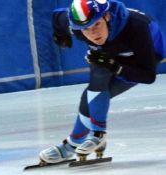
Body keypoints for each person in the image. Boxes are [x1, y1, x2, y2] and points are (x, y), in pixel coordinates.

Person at [40, 0, 165, 163]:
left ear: (106, 16)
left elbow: (148, 76)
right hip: (110, 51)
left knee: (94, 91)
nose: (93, 34)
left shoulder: (137, 27)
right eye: (86, 29)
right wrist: (60, 35)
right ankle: (78, 142)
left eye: (96, 25)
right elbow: (57, 16)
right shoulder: (76, 25)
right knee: (92, 89)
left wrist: (116, 67)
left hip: (140, 57)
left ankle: (95, 135)